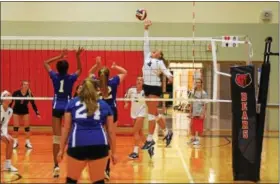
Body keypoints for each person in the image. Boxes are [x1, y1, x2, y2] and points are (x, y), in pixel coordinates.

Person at [57, 78, 117, 184]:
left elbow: (66, 128)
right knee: (98, 181)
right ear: (97, 90)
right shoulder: (104, 105)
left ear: (82, 88)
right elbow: (110, 131)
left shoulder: (72, 103)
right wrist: (114, 152)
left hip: (78, 144)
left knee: (71, 180)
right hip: (99, 144)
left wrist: (61, 149)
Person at [43, 47, 83, 178]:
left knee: (56, 138)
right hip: (67, 108)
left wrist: (59, 56)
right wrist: (77, 56)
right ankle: (73, 165)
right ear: (67, 69)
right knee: (70, 136)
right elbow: (80, 70)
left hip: (56, 107)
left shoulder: (54, 76)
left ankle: (56, 167)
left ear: (58, 68)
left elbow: (45, 63)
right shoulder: (71, 78)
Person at [88, 56, 127, 180]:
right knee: (111, 137)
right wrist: (115, 67)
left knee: (101, 138)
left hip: (100, 112)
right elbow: (125, 72)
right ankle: (107, 168)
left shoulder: (95, 81)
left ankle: (99, 166)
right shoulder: (114, 81)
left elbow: (89, 73)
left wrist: (97, 65)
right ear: (109, 75)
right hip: (112, 112)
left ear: (99, 75)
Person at [141, 19, 174, 154]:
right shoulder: (147, 57)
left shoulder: (159, 63)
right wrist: (146, 29)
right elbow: (146, 43)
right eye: (154, 50)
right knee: (154, 113)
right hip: (146, 87)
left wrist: (170, 76)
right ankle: (167, 132)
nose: (154, 50)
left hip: (154, 88)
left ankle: (150, 139)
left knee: (151, 114)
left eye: (157, 51)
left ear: (159, 56)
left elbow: (166, 71)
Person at [10, 80, 40, 149]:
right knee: (16, 127)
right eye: (24, 84)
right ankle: (15, 142)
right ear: (21, 86)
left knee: (27, 127)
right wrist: (8, 110)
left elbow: (33, 104)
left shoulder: (29, 94)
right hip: (16, 111)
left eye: (27, 85)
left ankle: (27, 142)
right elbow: (11, 102)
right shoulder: (16, 93)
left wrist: (37, 112)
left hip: (25, 111)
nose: (26, 86)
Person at [124, 76, 147, 159]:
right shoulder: (131, 90)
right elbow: (126, 96)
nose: (139, 81)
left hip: (142, 113)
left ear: (143, 82)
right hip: (133, 113)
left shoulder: (145, 91)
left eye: (141, 80)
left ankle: (135, 152)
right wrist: (126, 103)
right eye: (138, 79)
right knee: (140, 132)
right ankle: (149, 146)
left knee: (135, 132)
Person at [1, 90, 18, 172]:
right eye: (8, 95)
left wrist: (5, 134)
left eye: (11, 95)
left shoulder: (10, 111)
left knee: (10, 140)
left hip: (1, 130)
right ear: (3, 98)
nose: (11, 97)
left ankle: (7, 165)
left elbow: (4, 125)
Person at [188, 79, 207, 146]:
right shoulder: (193, 92)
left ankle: (198, 140)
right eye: (196, 82)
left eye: (199, 82)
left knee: (199, 127)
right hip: (194, 112)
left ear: (201, 83)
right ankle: (193, 139)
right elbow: (191, 103)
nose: (198, 83)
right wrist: (190, 112)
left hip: (200, 112)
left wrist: (203, 113)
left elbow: (205, 104)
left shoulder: (204, 93)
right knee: (192, 126)